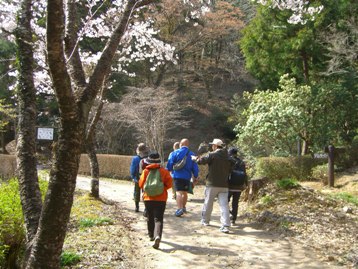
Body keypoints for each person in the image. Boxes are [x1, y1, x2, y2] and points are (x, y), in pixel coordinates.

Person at [195, 138, 232, 233]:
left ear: (215, 146)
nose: (212, 147)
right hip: (224, 184)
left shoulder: (212, 155)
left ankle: (205, 220)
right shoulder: (228, 156)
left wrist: (195, 159)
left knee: (208, 203)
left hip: (212, 184)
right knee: (224, 206)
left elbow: (201, 161)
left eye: (212, 145)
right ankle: (226, 225)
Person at [138, 151, 172, 249]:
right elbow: (169, 184)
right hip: (161, 198)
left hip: (148, 198)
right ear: (158, 161)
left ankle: (151, 235)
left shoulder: (145, 171)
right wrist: (162, 188)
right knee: (159, 218)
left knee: (150, 216)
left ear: (148, 161)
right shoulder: (164, 171)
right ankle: (158, 235)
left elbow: (140, 184)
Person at [166, 138, 199, 217]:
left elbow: (170, 163)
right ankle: (184, 207)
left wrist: (169, 170)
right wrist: (195, 176)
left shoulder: (175, 152)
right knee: (185, 193)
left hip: (177, 176)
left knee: (178, 192)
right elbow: (195, 167)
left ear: (181, 144)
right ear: (188, 145)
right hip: (187, 177)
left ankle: (179, 209)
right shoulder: (192, 154)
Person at [228, 147, 247, 225]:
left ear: (230, 153)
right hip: (239, 186)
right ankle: (233, 219)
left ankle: (229, 214)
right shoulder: (241, 162)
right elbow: (245, 174)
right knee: (235, 203)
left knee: (225, 201)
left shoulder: (229, 161)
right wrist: (246, 184)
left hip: (230, 185)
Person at [129, 143, 149, 212]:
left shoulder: (135, 158)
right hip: (146, 178)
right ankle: (146, 208)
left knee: (136, 192)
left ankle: (136, 207)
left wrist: (133, 177)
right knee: (145, 193)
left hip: (138, 178)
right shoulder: (148, 158)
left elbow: (132, 169)